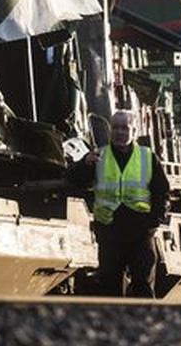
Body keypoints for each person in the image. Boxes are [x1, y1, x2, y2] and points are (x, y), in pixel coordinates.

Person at [67, 109, 169, 297]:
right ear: (110, 130)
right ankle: (115, 324)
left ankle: (144, 323)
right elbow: (75, 181)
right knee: (110, 286)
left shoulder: (147, 157)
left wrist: (154, 223)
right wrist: (84, 164)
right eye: (116, 128)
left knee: (143, 285)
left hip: (140, 233)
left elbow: (161, 192)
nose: (120, 132)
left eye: (125, 128)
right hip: (110, 232)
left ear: (134, 131)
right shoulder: (99, 156)